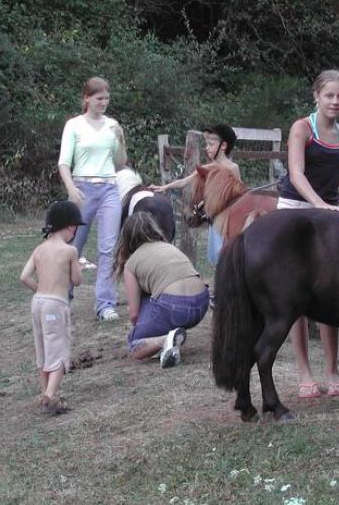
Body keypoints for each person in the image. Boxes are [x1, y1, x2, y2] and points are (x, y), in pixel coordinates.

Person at [277, 69, 339, 398]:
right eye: (329, 95)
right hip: (295, 211)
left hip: (329, 213)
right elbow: (296, 173)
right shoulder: (302, 128)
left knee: (334, 291)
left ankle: (332, 370)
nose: (335, 101)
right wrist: (318, 205)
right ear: (316, 96)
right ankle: (304, 373)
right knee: (297, 297)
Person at [58, 76, 127, 321]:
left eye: (107, 98)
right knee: (73, 245)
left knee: (108, 248)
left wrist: (120, 139)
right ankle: (62, 295)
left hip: (109, 188)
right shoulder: (74, 125)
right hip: (82, 188)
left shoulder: (113, 125)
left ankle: (105, 304)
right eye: (99, 98)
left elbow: (120, 164)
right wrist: (72, 189)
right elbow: (64, 163)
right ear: (86, 98)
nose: (104, 103)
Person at [114, 212, 210, 368]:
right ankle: (168, 341)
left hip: (174, 308)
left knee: (134, 344)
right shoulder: (168, 247)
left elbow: (134, 314)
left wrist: (141, 328)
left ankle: (165, 339)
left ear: (126, 238)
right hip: (201, 304)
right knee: (155, 301)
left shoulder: (131, 263)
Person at [19, 200, 84, 415]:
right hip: (56, 305)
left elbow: (24, 277)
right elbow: (77, 280)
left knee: (43, 349)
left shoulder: (39, 249)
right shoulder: (70, 251)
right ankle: (49, 395)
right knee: (58, 349)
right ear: (71, 227)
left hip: (37, 303)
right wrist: (79, 267)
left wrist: (41, 289)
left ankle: (47, 391)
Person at [149, 124, 240, 265]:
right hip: (215, 220)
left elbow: (239, 195)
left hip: (230, 220)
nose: (207, 148)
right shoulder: (207, 168)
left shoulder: (233, 168)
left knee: (230, 256)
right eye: (206, 144)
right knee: (218, 258)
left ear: (223, 146)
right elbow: (184, 181)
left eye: (210, 144)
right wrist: (164, 187)